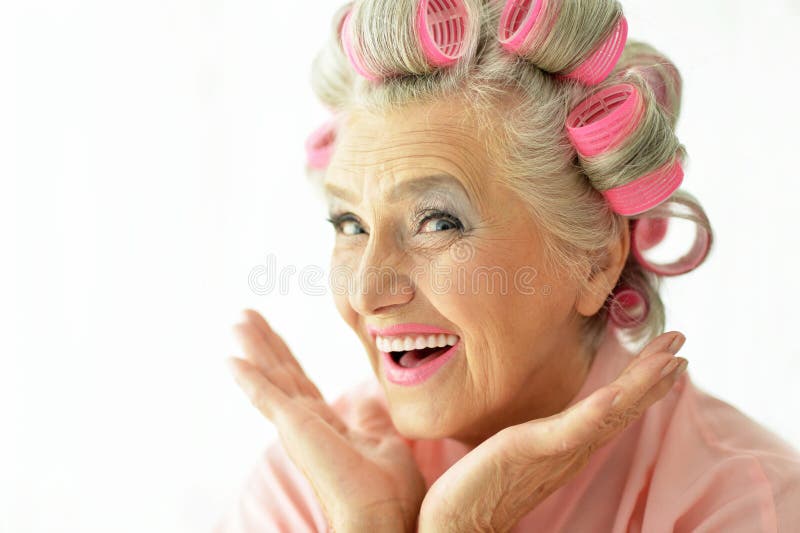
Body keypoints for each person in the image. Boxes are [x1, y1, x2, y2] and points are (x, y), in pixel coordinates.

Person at [216, 0, 800, 530]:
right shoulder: (311, 488)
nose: (367, 291)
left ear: (595, 259)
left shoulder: (739, 505)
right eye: (350, 225)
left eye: (437, 222)